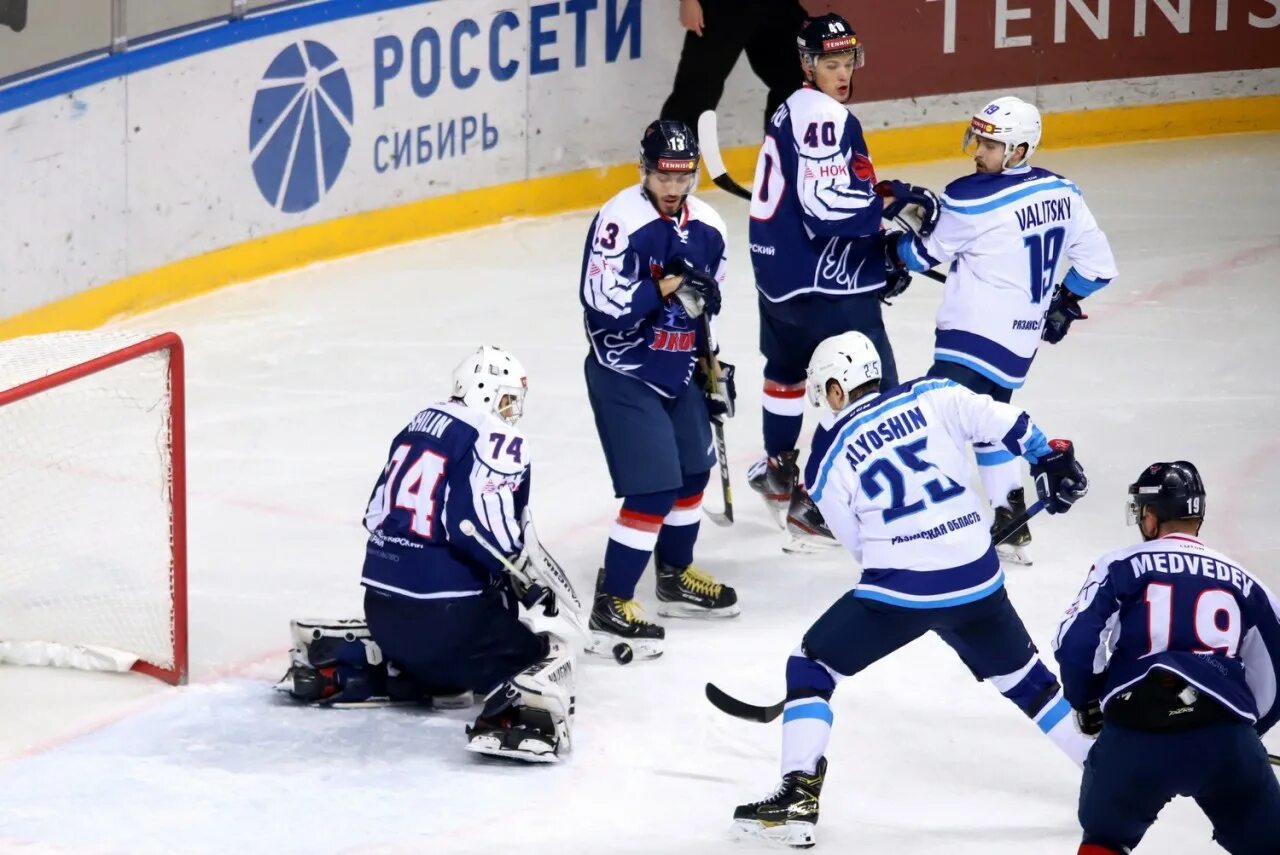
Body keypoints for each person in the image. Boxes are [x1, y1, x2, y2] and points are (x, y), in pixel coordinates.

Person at [731, 331, 1093, 848]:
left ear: (836, 390)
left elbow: (860, 550)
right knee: (1029, 683)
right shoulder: (933, 393)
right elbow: (1006, 422)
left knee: (811, 664)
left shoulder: (824, 458)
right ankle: (1106, 770)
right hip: (977, 576)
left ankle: (796, 795)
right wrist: (1048, 459)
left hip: (898, 592)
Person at [278, 346, 576, 764]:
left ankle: (352, 664)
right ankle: (518, 714)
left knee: (440, 645)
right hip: (447, 622)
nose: (511, 410)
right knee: (538, 648)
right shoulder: (494, 435)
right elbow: (478, 528)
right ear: (485, 392)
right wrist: (525, 582)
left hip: (382, 609)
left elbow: (375, 514)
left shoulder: (417, 424)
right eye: (507, 397)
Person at [887, 95, 1118, 564]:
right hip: (1020, 341)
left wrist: (893, 241)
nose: (977, 151)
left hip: (971, 337)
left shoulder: (970, 197)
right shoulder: (1063, 192)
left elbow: (921, 256)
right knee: (991, 421)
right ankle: (1011, 518)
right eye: (978, 139)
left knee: (935, 421)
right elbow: (1098, 268)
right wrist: (1064, 302)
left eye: (990, 145)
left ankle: (923, 525)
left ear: (1018, 150)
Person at [745, 13, 940, 551]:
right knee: (872, 387)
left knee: (785, 370)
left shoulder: (791, 107)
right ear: (808, 64)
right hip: (822, 279)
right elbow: (824, 205)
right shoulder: (824, 115)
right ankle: (818, 510)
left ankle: (780, 468)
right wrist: (883, 212)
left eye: (846, 61)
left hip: (779, 275)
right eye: (830, 63)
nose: (842, 73)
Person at [1053, 461, 1280, 855]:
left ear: (1152, 516)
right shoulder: (1248, 582)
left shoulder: (1120, 566)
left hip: (1136, 735)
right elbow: (1277, 666)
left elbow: (1075, 643)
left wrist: (1087, 698)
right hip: (1223, 739)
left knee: (1103, 841)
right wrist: (1246, 728)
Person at [580, 118, 740, 661]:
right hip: (624, 370)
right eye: (663, 176)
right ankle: (613, 599)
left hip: (679, 370)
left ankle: (673, 577)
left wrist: (711, 364)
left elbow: (706, 308)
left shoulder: (711, 227)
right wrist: (664, 286)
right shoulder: (619, 222)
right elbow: (603, 305)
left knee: (694, 472)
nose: (673, 188)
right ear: (644, 170)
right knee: (653, 488)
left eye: (683, 176)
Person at [659, 0, 807, 138]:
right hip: (722, 7)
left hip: (779, 7)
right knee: (696, 92)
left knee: (797, 84)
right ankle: (672, 160)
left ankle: (782, 158)